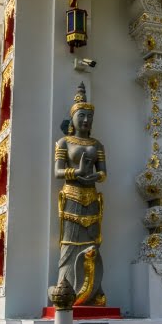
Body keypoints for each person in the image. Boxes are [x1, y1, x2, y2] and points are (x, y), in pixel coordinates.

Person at [54, 83, 107, 306]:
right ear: (73, 119)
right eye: (82, 116)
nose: (86, 120)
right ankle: (65, 288)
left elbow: (103, 173)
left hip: (92, 196)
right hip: (72, 196)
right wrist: (76, 172)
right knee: (69, 244)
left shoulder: (97, 144)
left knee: (93, 243)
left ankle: (94, 290)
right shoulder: (64, 142)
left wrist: (93, 177)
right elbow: (57, 172)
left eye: (89, 117)